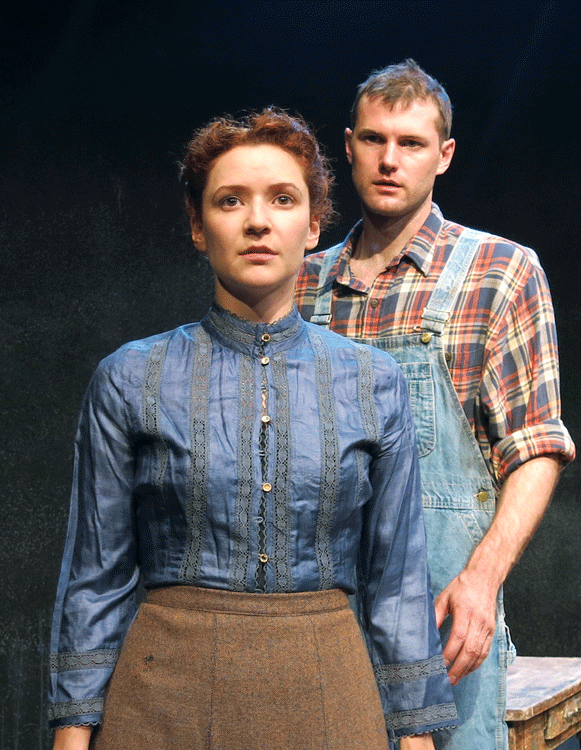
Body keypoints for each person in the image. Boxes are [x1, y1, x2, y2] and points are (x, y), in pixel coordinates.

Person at [48, 108, 458, 750]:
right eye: (230, 200)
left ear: (314, 224)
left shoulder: (374, 383)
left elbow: (398, 583)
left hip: (330, 694)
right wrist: (71, 734)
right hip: (162, 700)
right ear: (197, 226)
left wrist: (416, 736)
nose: (258, 221)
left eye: (283, 199)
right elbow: (95, 577)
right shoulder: (130, 378)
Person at [295, 60, 576, 750]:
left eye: (412, 143)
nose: (390, 160)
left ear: (443, 155)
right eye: (374, 139)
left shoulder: (499, 270)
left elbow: (536, 446)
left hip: (444, 622)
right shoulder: (303, 287)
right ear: (349, 146)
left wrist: (482, 582)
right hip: (315, 626)